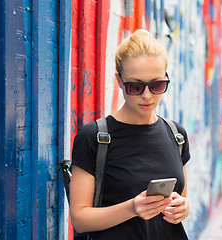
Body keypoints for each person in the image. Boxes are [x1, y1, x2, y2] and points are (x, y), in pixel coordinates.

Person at [70, 29, 191, 240]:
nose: (147, 95)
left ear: (166, 79)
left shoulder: (176, 134)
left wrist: (184, 208)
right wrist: (132, 209)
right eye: (135, 86)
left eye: (156, 85)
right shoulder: (95, 137)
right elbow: (80, 218)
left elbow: (180, 199)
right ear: (119, 80)